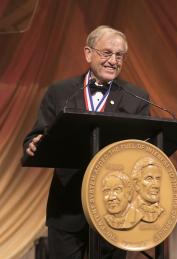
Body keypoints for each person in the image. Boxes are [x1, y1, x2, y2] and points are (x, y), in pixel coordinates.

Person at [23, 25, 150, 259]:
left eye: (119, 55)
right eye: (107, 53)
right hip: (66, 209)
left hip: (114, 210)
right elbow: (36, 135)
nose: (113, 60)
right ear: (88, 53)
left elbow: (143, 149)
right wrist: (33, 143)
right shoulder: (60, 92)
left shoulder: (137, 97)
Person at [131, 157, 164, 223]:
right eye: (149, 178)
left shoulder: (162, 211)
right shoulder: (130, 212)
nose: (156, 185)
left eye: (158, 179)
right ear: (136, 184)